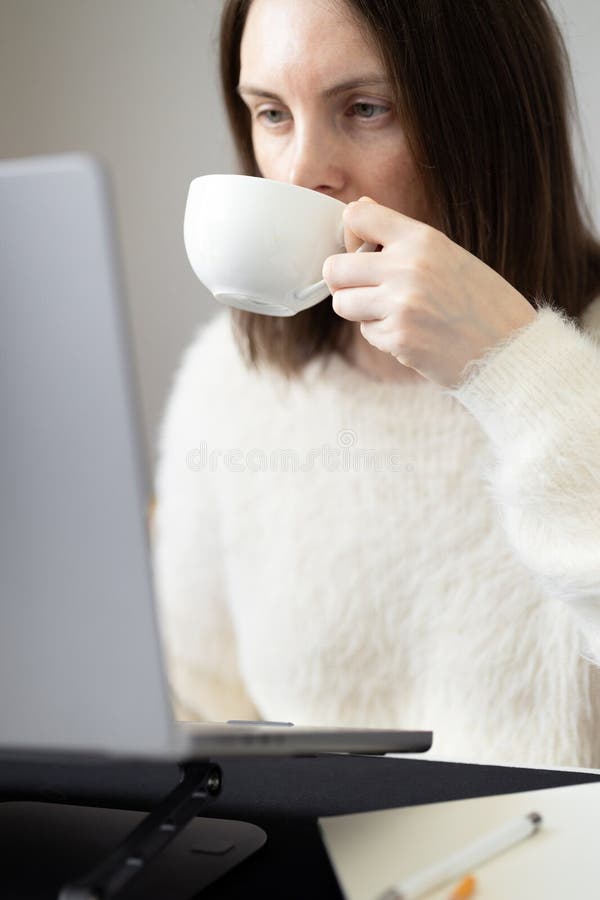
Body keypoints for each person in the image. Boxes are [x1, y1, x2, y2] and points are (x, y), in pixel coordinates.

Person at [152, 0, 600, 768]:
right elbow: (196, 710)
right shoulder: (228, 382)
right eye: (271, 113)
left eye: (365, 108)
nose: (301, 173)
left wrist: (515, 365)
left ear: (485, 114)